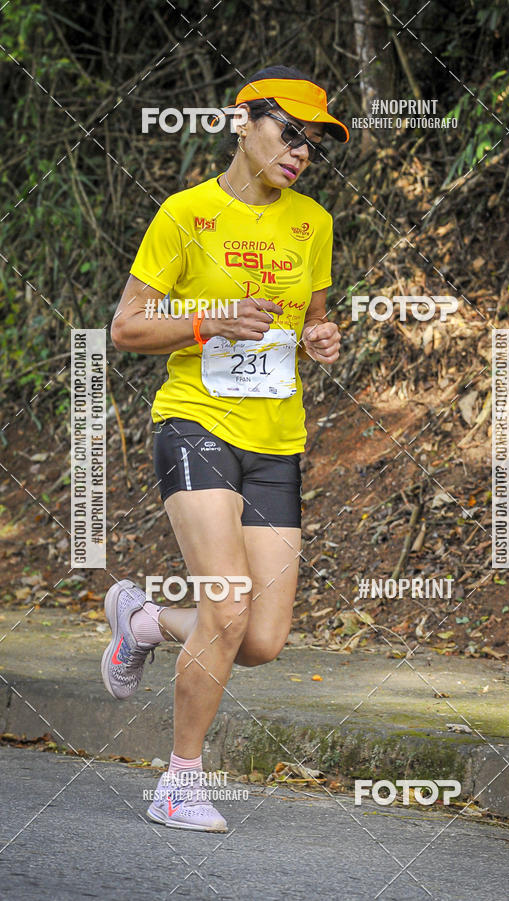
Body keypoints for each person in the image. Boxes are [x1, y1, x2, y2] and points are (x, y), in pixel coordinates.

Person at [101, 64, 348, 832]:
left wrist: (320, 339)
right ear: (245, 124)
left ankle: (141, 620)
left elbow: (312, 323)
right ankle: (178, 781)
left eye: (314, 142)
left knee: (262, 638)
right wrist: (209, 321)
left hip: (277, 442)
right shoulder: (185, 214)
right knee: (229, 603)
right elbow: (127, 327)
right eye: (290, 131)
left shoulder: (313, 222)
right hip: (194, 425)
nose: (301, 151)